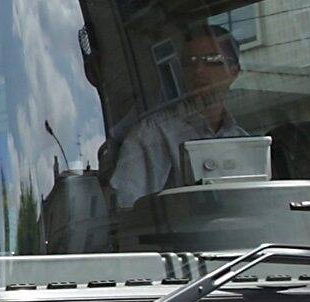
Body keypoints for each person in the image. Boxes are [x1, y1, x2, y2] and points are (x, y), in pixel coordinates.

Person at [107, 23, 251, 211]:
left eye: (212, 60)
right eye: (190, 62)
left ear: (234, 72)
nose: (199, 70)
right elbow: (128, 213)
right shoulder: (151, 135)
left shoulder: (244, 142)